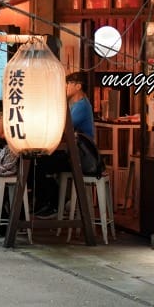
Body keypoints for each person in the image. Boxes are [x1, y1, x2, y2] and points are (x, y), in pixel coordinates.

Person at [33, 71, 96, 218]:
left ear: (78, 86)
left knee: (40, 163)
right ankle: (51, 203)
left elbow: (62, 128)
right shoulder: (73, 104)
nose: (65, 87)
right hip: (73, 152)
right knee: (39, 162)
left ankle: (54, 205)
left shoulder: (81, 106)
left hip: (82, 157)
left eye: (68, 84)